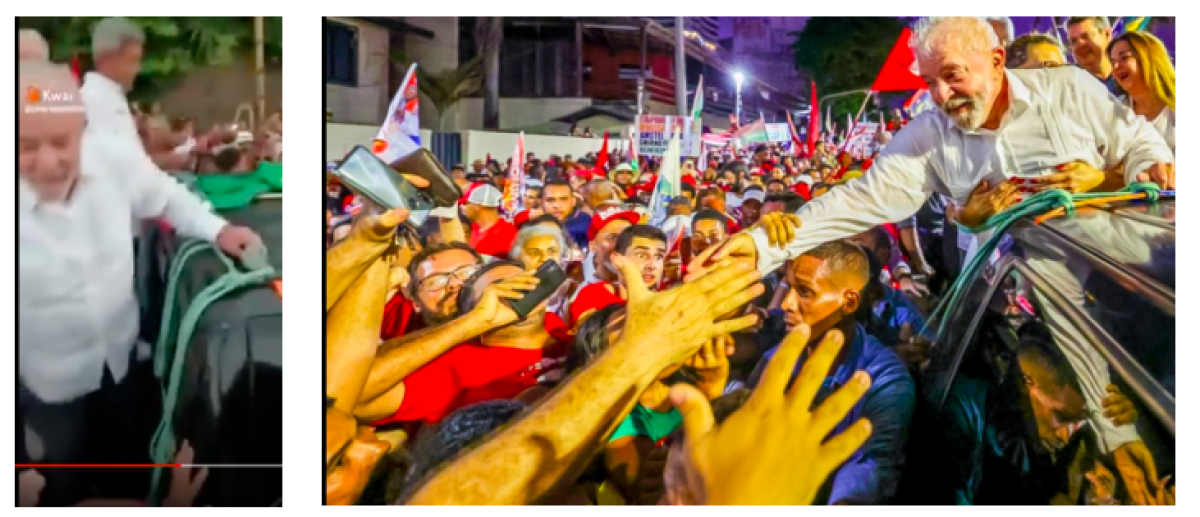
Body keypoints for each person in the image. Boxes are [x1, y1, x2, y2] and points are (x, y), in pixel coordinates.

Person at [695, 16, 1174, 286]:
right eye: (929, 83)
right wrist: (760, 244)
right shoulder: (928, 134)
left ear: (995, 60)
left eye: (953, 75)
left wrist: (1150, 165)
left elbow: (1137, 139)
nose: (942, 97)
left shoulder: (1068, 88)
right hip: (1001, 300)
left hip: (1124, 280)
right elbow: (860, 199)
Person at [18, 62, 260, 506]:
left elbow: (167, 195)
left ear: (81, 130)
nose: (48, 161)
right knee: (62, 485)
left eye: (60, 143)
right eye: (26, 146)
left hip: (120, 361)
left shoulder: (111, 158)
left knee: (129, 462)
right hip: (50, 386)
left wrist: (219, 231)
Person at [748, 240, 915, 504]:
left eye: (804, 291)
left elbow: (870, 466)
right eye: (789, 287)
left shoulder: (884, 382)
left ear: (848, 302)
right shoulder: (776, 360)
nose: (788, 304)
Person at [1108, 31, 1175, 154]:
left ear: (1149, 58)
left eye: (1124, 57)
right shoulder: (1115, 109)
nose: (1116, 67)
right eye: (1112, 62)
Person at [463, 184, 517, 260]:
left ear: (477, 206)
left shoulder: (506, 233)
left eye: (466, 203)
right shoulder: (473, 227)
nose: (464, 208)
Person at [1066, 17, 1119, 93]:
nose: (1080, 44)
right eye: (1073, 41)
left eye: (1086, 36)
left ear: (1107, 35)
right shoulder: (1070, 88)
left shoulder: (1130, 75)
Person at [541, 179, 591, 247]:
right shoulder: (533, 223)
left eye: (563, 199)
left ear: (573, 201)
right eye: (550, 200)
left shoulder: (586, 223)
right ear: (541, 202)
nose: (557, 205)